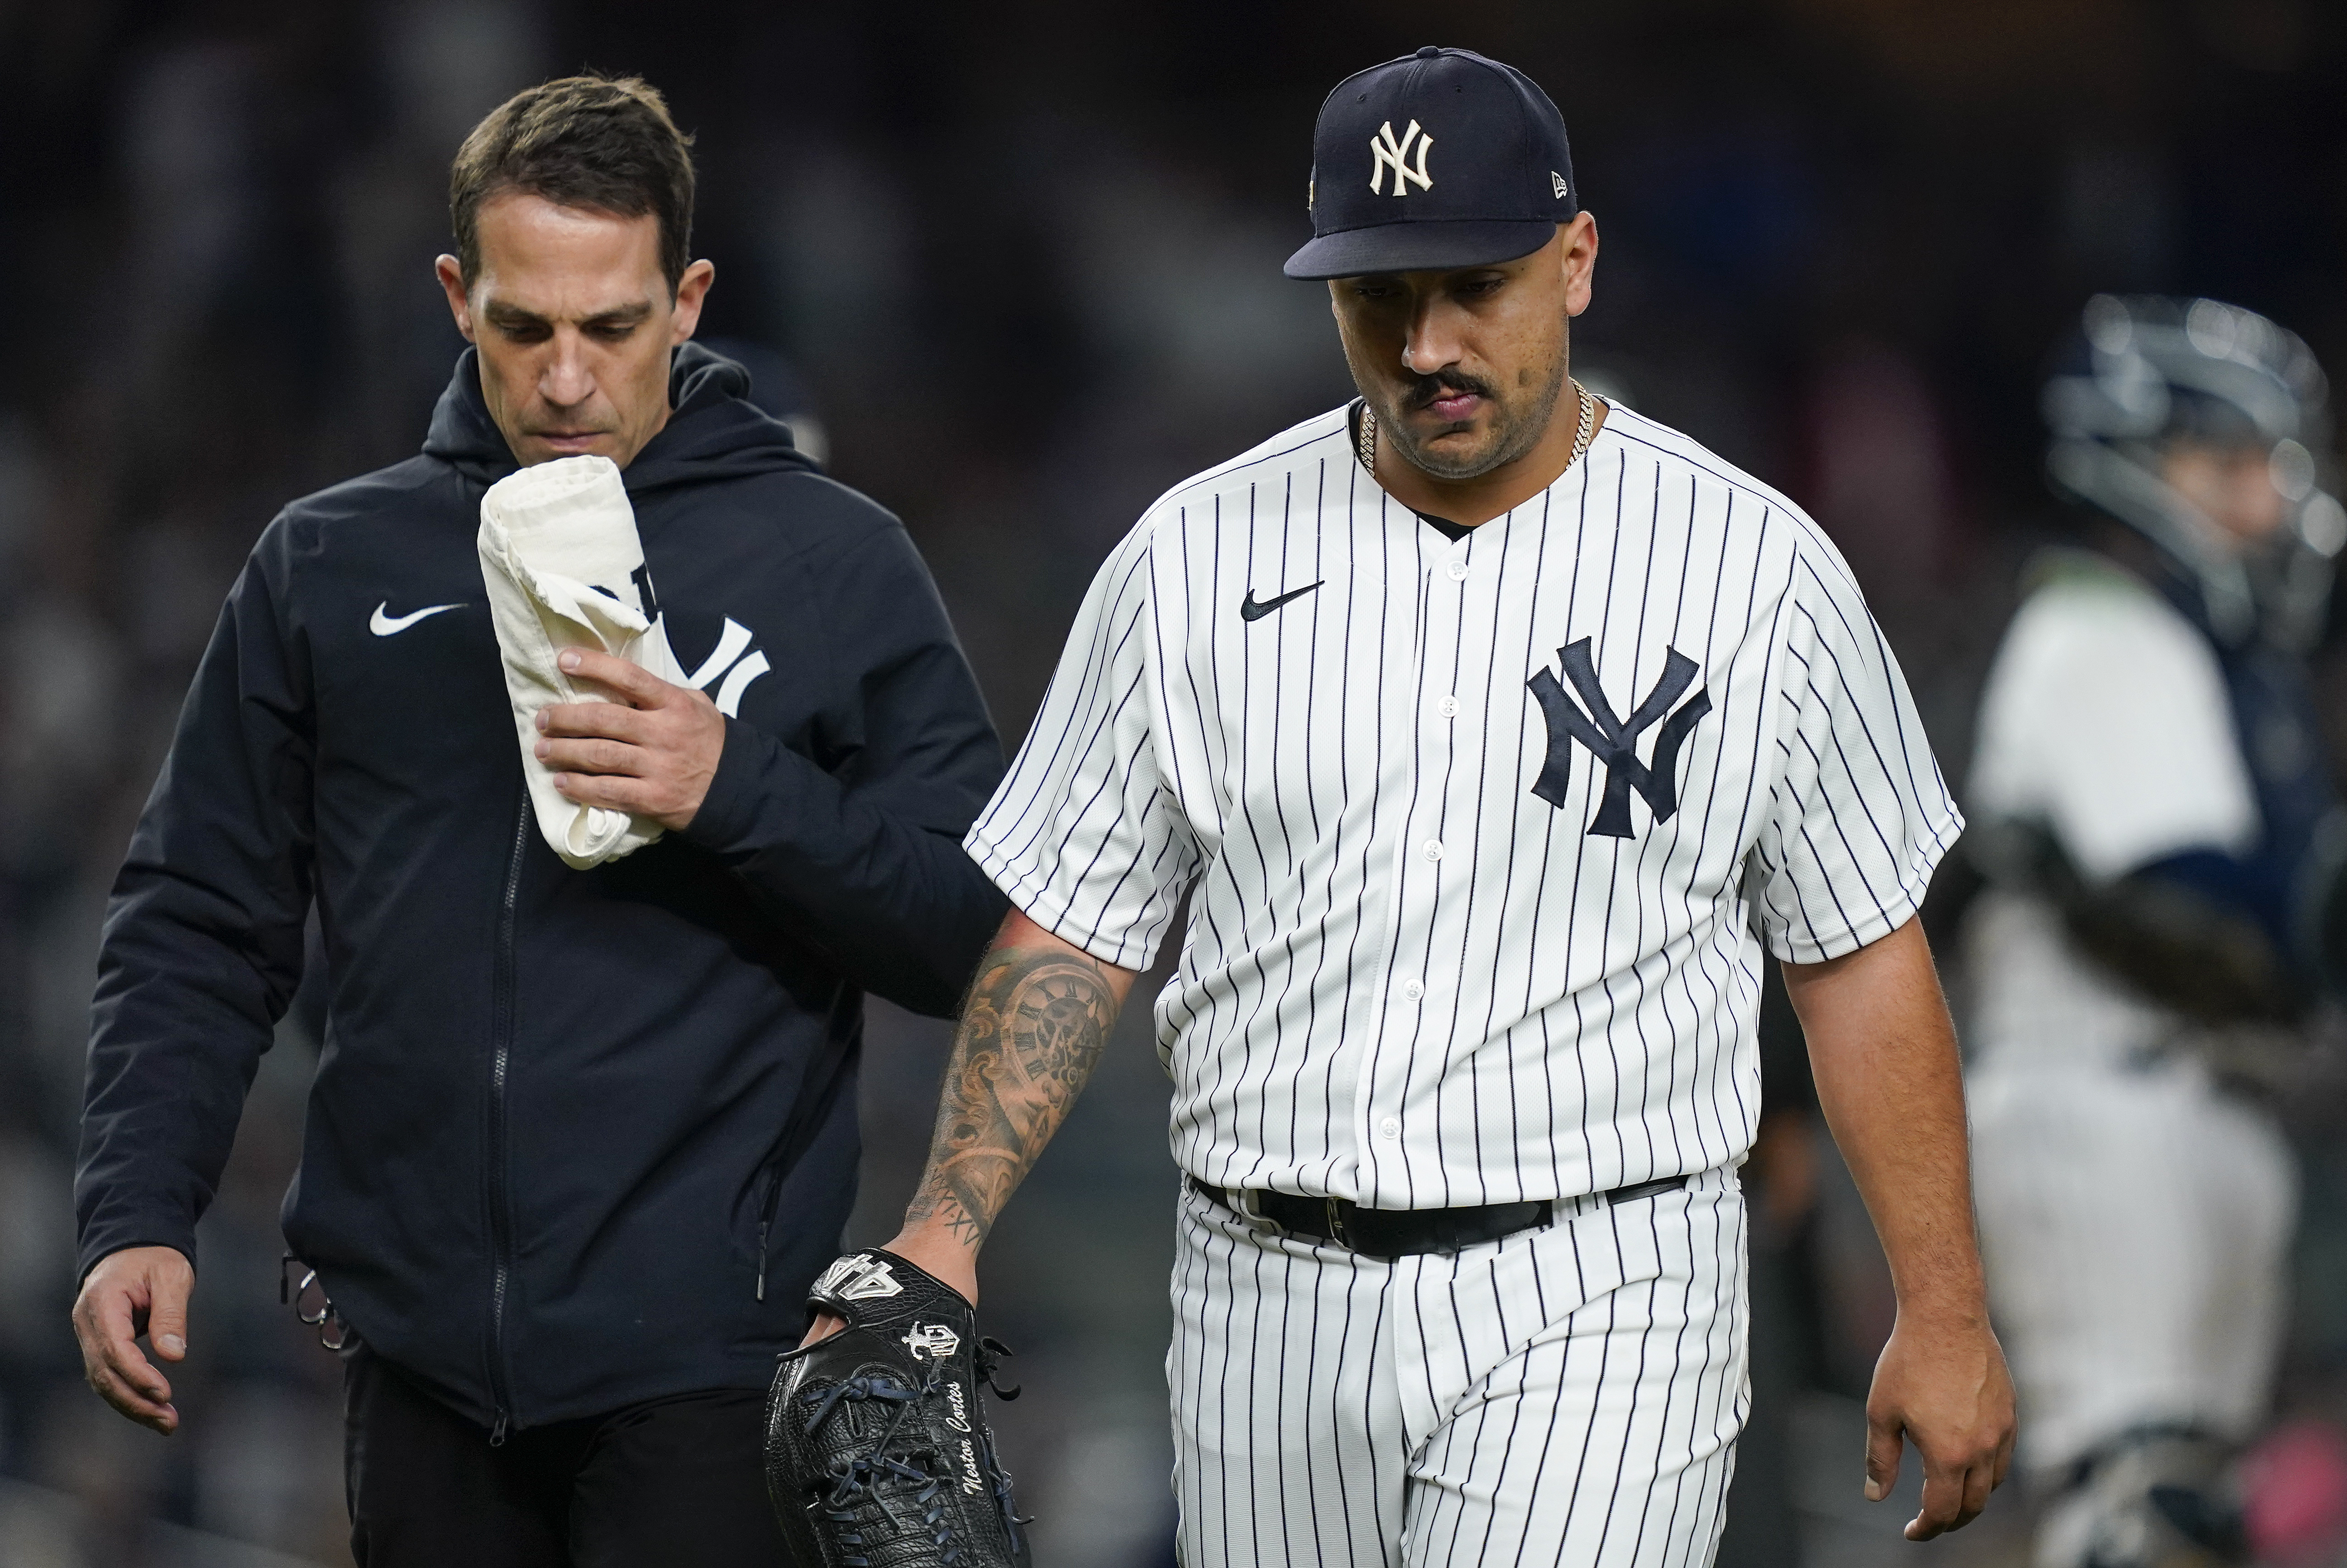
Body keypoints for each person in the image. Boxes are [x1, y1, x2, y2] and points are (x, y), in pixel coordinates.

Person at [808, 45, 2014, 1566]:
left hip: (1608, 1276)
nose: (1430, 342)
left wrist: (1944, 1303)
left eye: (1477, 286)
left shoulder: (1753, 567)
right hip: (1262, 1293)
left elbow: (1857, 955)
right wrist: (946, 1223)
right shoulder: (1193, 558)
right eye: (1381, 296)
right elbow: (1077, 926)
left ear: (1575, 264)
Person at [71, 74, 1007, 1566]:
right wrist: (136, 1207)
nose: (568, 378)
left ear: (688, 300)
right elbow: (198, 914)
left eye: (613, 326)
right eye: (525, 325)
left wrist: (733, 785)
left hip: (712, 1366)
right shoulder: (327, 561)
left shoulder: (833, 560)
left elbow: (973, 926)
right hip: (419, 1364)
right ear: (458, 295)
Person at [1964, 295, 2344, 1568]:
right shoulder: (2099, 626)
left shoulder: (2195, 652)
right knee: (2136, 1506)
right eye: (2228, 466)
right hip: (2108, 1099)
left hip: (2192, 1101)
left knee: (2191, 1503)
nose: (2266, 505)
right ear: (2135, 466)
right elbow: (2194, 911)